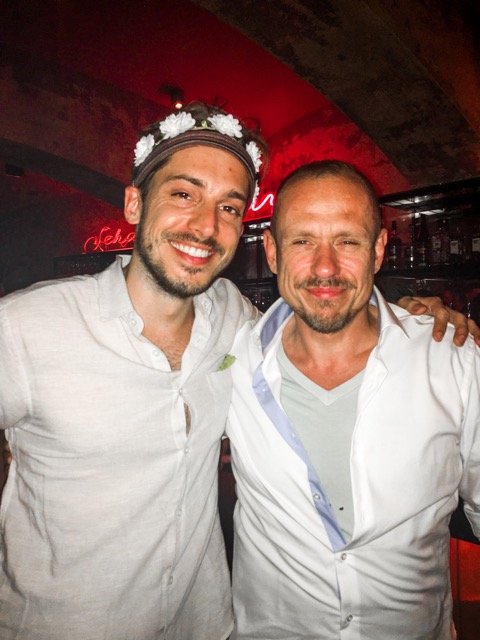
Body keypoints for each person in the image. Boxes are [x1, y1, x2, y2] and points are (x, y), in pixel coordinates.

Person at [0, 103, 475, 640]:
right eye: (184, 195)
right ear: (134, 203)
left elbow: (326, 303)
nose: (206, 226)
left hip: (203, 628)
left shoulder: (236, 326)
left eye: (229, 207)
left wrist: (416, 313)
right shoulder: (26, 327)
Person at [227, 160, 480, 640]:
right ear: (273, 251)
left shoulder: (454, 361)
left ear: (378, 250)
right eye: (303, 242)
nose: (325, 267)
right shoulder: (232, 358)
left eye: (347, 241)